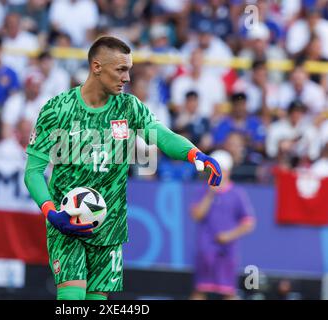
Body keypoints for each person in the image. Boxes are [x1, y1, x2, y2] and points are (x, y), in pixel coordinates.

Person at [24, 36, 223, 300]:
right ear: (96, 67)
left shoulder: (129, 107)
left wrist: (196, 155)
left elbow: (161, 135)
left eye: (128, 69)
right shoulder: (57, 109)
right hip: (66, 221)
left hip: (110, 226)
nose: (127, 77)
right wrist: (51, 213)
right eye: (120, 69)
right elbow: (33, 172)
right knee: (71, 300)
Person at [190, 150, 256, 300]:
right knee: (200, 290)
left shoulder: (238, 193)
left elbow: (248, 222)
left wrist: (229, 236)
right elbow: (197, 215)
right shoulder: (202, 191)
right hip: (206, 250)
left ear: (228, 171)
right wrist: (210, 193)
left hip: (228, 251)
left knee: (228, 292)